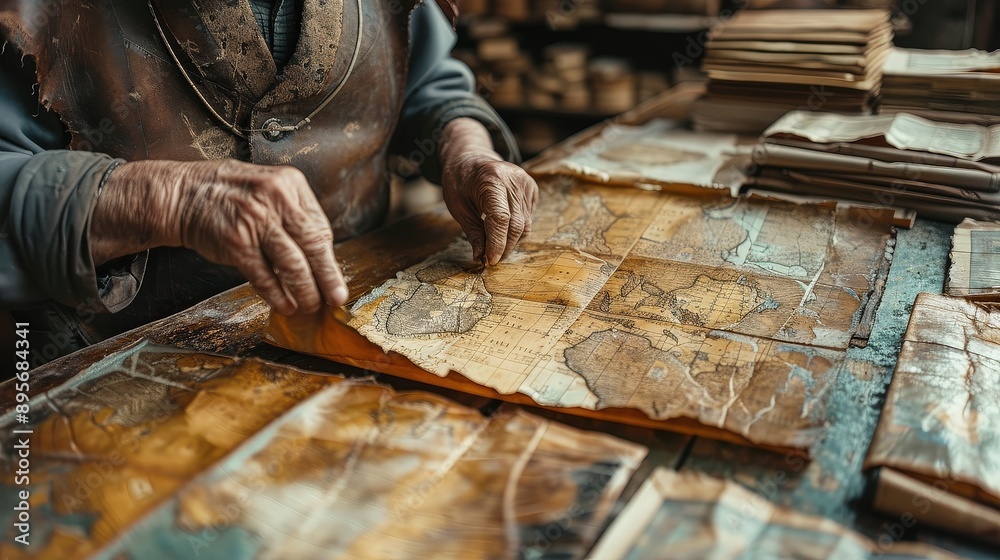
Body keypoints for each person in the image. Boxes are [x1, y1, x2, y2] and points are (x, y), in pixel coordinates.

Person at [0, 0, 538, 365]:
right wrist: (169, 201)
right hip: (109, 374)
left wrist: (463, 146)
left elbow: (421, 83)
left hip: (357, 340)